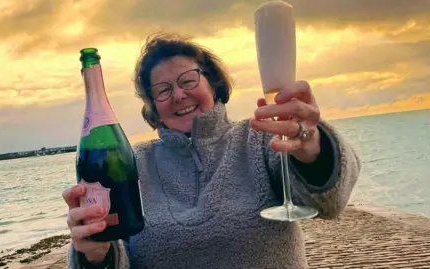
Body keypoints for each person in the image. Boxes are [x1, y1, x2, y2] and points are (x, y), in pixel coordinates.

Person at [63, 33, 361, 269]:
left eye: (188, 80)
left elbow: (330, 203)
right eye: (163, 90)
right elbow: (114, 253)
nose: (178, 95)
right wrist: (95, 255)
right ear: (153, 105)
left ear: (214, 84)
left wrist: (312, 149)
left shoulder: (257, 138)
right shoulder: (134, 163)